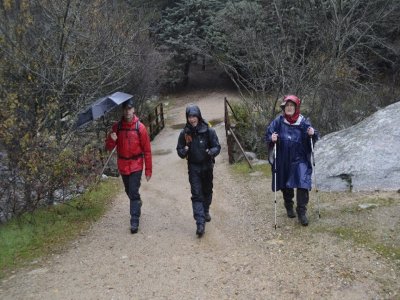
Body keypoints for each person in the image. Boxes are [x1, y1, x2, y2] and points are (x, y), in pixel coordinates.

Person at [265, 95, 318, 226]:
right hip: (283, 158)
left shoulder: (303, 122)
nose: (289, 108)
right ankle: (289, 205)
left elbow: (313, 135)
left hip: (300, 159)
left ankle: (301, 212)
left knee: (302, 183)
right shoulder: (278, 121)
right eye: (286, 106)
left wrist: (313, 133)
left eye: (291, 106)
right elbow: (268, 133)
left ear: (296, 107)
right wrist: (271, 137)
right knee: (285, 183)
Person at [105, 98, 152, 234]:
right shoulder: (117, 128)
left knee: (133, 191)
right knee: (129, 191)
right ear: (123, 111)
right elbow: (108, 147)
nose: (127, 112)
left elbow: (147, 150)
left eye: (130, 109)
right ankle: (137, 202)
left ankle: (134, 220)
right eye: (125, 109)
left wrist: (148, 170)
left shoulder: (140, 128)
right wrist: (111, 139)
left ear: (134, 110)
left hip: (136, 164)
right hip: (123, 164)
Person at [176, 105, 221, 237]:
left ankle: (206, 210)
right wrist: (183, 151)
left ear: (199, 116)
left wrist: (211, 152)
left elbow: (217, 146)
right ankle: (200, 223)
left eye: (194, 116)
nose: (192, 119)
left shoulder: (208, 130)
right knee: (196, 194)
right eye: (190, 117)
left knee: (207, 191)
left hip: (207, 166)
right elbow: (179, 150)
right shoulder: (184, 133)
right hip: (193, 166)